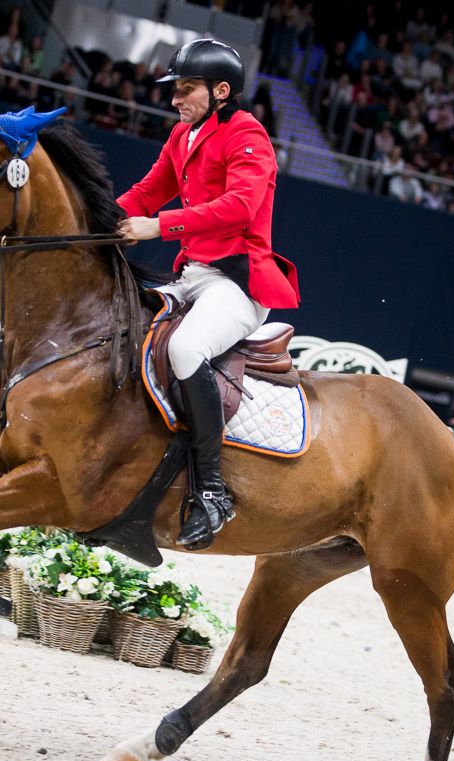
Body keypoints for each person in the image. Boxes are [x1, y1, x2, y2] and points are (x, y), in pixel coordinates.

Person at [116, 38, 299, 549]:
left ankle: (212, 492)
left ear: (220, 91)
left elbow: (240, 207)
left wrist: (158, 227)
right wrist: (99, 219)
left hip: (238, 282)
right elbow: (148, 192)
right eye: (176, 89)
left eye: (186, 89)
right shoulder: (183, 134)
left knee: (184, 348)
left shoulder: (248, 134)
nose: (176, 98)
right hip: (191, 275)